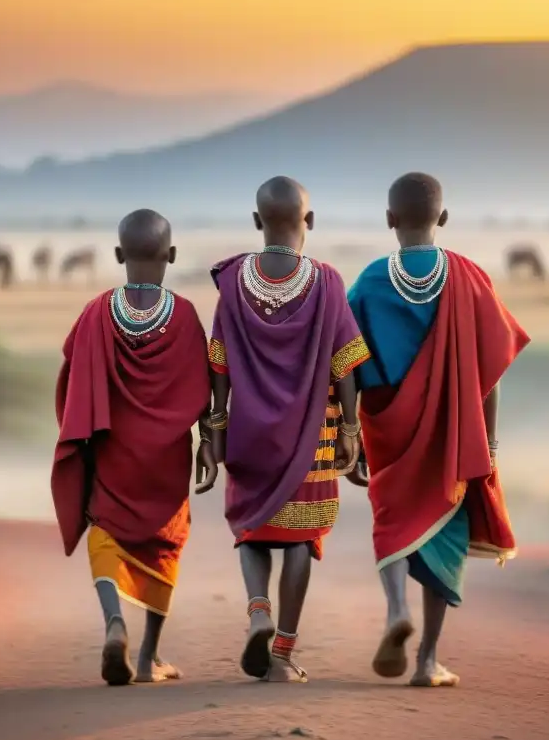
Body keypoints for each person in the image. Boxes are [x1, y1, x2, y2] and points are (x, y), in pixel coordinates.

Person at [346, 172, 529, 687]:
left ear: (389, 220)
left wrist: (352, 433)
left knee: (393, 518)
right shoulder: (470, 277)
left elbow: (346, 363)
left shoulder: (371, 281)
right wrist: (487, 443)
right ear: (442, 218)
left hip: (386, 424)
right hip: (454, 428)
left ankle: (395, 609)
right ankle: (427, 660)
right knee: (444, 531)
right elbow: (489, 371)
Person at [206, 176, 370, 683]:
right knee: (301, 538)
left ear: (258, 222)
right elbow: (346, 362)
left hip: (248, 430)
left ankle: (258, 612)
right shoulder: (327, 282)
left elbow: (218, 361)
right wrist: (349, 428)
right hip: (312, 433)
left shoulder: (233, 281)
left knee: (253, 529)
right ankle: (280, 655)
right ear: (310, 222)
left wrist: (214, 432)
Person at [51, 209, 214, 686]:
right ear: (173, 255)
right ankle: (148, 658)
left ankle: (113, 624)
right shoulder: (183, 314)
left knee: (105, 529)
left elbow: (72, 374)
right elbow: (203, 386)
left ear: (119, 255)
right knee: (167, 539)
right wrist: (209, 442)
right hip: (166, 458)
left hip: (112, 450)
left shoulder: (98, 310)